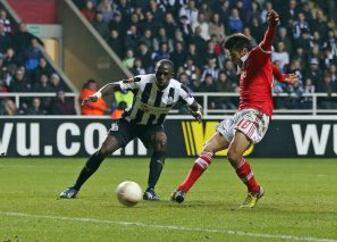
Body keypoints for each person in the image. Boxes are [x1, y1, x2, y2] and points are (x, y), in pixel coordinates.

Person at [171, 10, 298, 208]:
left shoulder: (254, 57)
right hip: (241, 113)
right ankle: (182, 189)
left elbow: (266, 45)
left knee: (233, 155)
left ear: (242, 51)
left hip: (257, 112)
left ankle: (254, 191)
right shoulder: (248, 65)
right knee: (208, 148)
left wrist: (272, 25)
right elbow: (270, 67)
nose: (229, 57)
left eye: (231, 53)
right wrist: (282, 78)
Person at [59, 59, 202, 200]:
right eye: (158, 73)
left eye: (165, 74)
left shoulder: (178, 90)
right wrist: (98, 95)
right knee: (104, 150)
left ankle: (150, 190)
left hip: (152, 127)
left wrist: (196, 112)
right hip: (128, 123)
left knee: (162, 142)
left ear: (172, 75)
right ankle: (75, 187)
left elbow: (194, 104)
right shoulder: (142, 81)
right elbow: (114, 85)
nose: (161, 77)